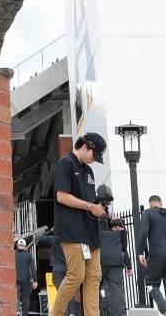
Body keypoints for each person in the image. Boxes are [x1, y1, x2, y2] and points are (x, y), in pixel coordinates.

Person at [49, 133, 107, 316]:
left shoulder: (88, 172)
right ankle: (55, 314)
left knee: (94, 277)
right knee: (76, 275)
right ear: (85, 147)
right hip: (72, 230)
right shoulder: (65, 164)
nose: (94, 161)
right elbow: (62, 196)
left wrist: (102, 211)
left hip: (90, 232)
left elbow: (88, 202)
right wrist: (91, 206)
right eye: (93, 155)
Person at [137, 195, 166, 316]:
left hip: (157, 253)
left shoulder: (148, 213)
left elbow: (143, 233)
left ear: (150, 204)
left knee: (150, 283)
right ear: (161, 203)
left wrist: (140, 251)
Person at [99, 218, 132, 316]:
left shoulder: (97, 223)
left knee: (94, 288)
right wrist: (128, 265)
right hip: (117, 259)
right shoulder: (118, 224)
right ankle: (120, 314)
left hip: (101, 258)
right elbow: (124, 246)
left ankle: (97, 313)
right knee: (117, 288)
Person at [15, 238, 38, 315]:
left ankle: (17, 311)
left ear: (17, 245)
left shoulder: (13, 254)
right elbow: (32, 268)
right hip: (26, 280)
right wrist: (35, 280)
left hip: (16, 279)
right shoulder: (28, 255)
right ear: (25, 246)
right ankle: (24, 314)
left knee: (16, 296)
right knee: (25, 299)